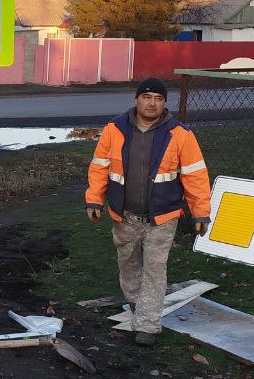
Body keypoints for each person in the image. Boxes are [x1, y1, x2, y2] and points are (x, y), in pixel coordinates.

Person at [85, 77, 211, 346]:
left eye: (158, 98)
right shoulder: (114, 130)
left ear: (164, 103)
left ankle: (147, 324)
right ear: (136, 100)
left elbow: (195, 176)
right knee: (128, 263)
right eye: (146, 97)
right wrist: (94, 200)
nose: (151, 103)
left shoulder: (180, 135)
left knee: (155, 268)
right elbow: (99, 167)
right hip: (125, 214)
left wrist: (201, 212)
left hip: (162, 218)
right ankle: (135, 302)